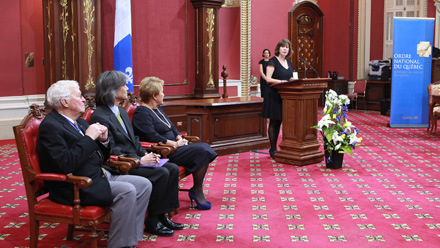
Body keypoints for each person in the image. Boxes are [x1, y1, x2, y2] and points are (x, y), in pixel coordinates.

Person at [37, 80, 151, 248]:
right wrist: (89, 138)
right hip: (76, 185)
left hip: (97, 175)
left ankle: (128, 238)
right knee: (127, 190)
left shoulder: (81, 122)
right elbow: (65, 164)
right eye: (79, 95)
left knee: (144, 185)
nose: (84, 99)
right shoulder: (51, 126)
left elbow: (100, 156)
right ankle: (120, 245)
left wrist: (104, 141)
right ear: (64, 102)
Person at [90, 70, 183, 237]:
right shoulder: (100, 115)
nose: (127, 88)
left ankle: (163, 216)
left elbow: (135, 140)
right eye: (123, 85)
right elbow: (110, 149)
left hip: (136, 158)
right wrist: (140, 160)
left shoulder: (122, 112)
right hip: (121, 164)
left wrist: (147, 155)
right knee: (161, 173)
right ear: (112, 90)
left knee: (172, 168)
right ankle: (152, 221)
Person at [133, 76, 218, 210]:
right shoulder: (141, 113)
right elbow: (151, 135)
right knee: (204, 150)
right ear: (154, 96)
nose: (164, 94)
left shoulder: (158, 109)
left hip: (175, 147)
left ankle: (197, 189)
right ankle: (197, 190)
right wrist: (173, 144)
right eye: (162, 91)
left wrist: (179, 137)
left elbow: (171, 126)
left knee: (203, 150)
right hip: (163, 152)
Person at [262, 39, 294, 159]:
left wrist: (293, 81)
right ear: (278, 48)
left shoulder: (289, 62)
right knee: (274, 122)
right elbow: (268, 79)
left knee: (280, 121)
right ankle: (273, 148)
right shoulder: (272, 61)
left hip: (286, 96)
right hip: (274, 95)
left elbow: (289, 77)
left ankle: (278, 147)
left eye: (287, 47)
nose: (285, 49)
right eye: (283, 47)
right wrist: (281, 82)